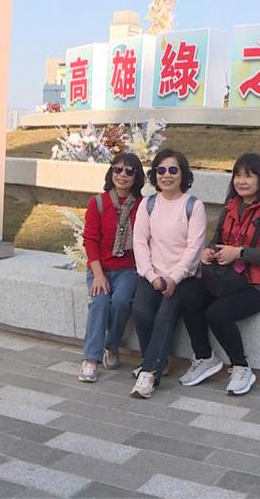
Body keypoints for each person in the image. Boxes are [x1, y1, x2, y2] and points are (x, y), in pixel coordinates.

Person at [177, 153, 260, 396]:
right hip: (227, 278)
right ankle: (205, 357)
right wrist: (210, 252)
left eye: (249, 176)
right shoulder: (231, 207)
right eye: (238, 175)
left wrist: (238, 253)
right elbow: (218, 240)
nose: (242, 181)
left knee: (217, 313)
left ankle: (241, 367)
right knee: (187, 295)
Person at [129, 149, 206, 399]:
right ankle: (157, 360)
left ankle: (149, 373)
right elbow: (140, 242)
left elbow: (194, 248)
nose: (166, 175)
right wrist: (152, 276)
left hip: (183, 279)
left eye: (173, 170)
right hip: (153, 275)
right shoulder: (148, 204)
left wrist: (174, 278)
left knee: (165, 315)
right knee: (141, 310)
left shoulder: (194, 206)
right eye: (161, 170)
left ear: (183, 174)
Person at [78, 153, 144, 383]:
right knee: (99, 301)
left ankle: (112, 345)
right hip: (101, 268)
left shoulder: (143, 206)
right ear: (111, 172)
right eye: (117, 169)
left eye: (129, 171)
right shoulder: (98, 203)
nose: (122, 175)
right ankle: (91, 359)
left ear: (137, 176)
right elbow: (90, 239)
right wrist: (97, 274)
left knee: (122, 301)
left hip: (128, 269)